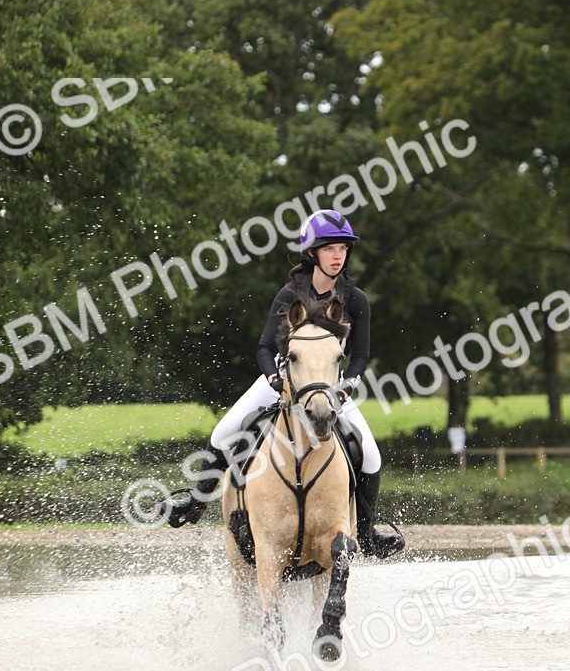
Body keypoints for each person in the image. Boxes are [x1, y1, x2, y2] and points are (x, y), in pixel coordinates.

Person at [158, 209, 404, 558]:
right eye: (330, 248)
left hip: (329, 388)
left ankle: (365, 533)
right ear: (312, 253)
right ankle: (195, 505)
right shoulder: (290, 295)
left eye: (343, 249)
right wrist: (274, 378)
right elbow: (264, 347)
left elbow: (360, 356)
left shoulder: (356, 300)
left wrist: (345, 386)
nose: (338, 256)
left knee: (371, 456)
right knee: (223, 432)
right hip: (283, 379)